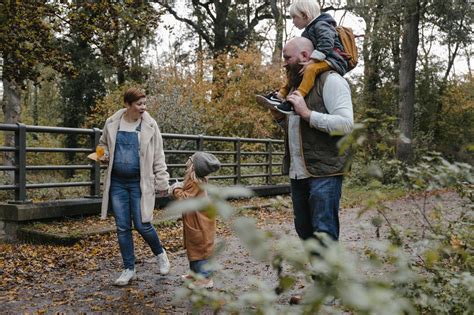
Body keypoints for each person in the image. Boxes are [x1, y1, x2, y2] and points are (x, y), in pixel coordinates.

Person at [268, 37, 353, 304]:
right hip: (298, 171)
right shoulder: (295, 86)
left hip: (325, 171)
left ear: (305, 55)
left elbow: (346, 125)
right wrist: (281, 117)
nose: (284, 63)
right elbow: (296, 131)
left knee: (324, 230)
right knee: (305, 230)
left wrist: (307, 114)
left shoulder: (332, 81)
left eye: (287, 58)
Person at [98, 87, 171, 286]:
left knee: (142, 224)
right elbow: (102, 144)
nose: (143, 108)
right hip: (117, 183)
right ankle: (129, 269)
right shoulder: (112, 123)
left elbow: (158, 155)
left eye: (144, 103)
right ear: (127, 104)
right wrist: (102, 155)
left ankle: (160, 253)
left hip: (140, 183)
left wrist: (162, 181)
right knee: (122, 227)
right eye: (139, 104)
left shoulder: (150, 125)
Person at [256, 0, 349, 114]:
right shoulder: (308, 30)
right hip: (324, 59)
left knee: (310, 69)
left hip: (335, 60)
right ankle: (280, 95)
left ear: (305, 15)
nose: (293, 21)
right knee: (295, 68)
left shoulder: (322, 25)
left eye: (294, 17)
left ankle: (295, 99)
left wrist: (312, 61)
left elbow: (327, 43)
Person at [169, 152, 221, 289]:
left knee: (200, 248)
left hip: (200, 222)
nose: (187, 160)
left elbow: (184, 198)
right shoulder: (198, 180)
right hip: (197, 219)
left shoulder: (194, 182)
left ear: (193, 166)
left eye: (190, 159)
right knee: (194, 246)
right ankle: (194, 274)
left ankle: (205, 278)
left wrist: (175, 189)